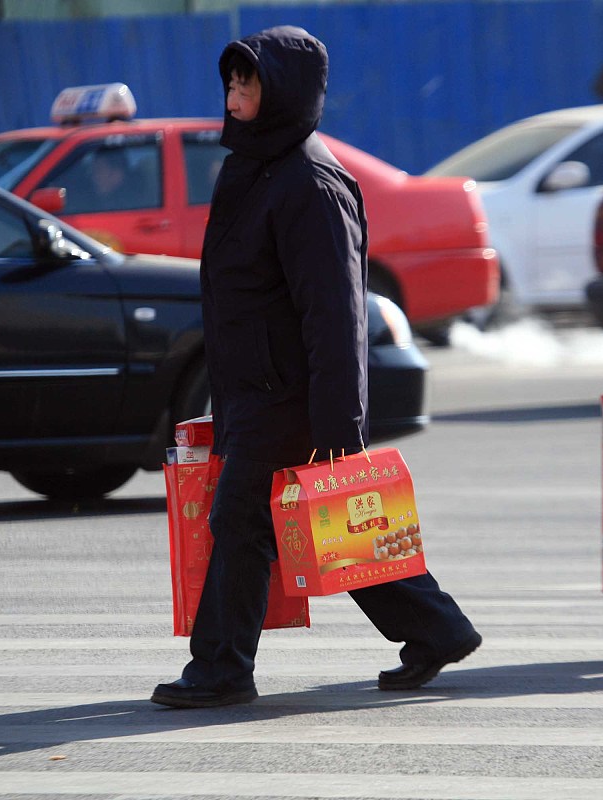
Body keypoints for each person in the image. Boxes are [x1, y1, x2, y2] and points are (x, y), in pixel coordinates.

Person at [150, 26, 481, 709]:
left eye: (250, 84)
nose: (236, 97)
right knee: (322, 526)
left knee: (241, 522)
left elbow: (335, 313)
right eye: (233, 83)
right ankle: (437, 628)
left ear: (285, 93)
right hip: (252, 389)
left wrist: (340, 420)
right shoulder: (251, 166)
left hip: (289, 395)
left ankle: (220, 668)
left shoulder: (311, 181)